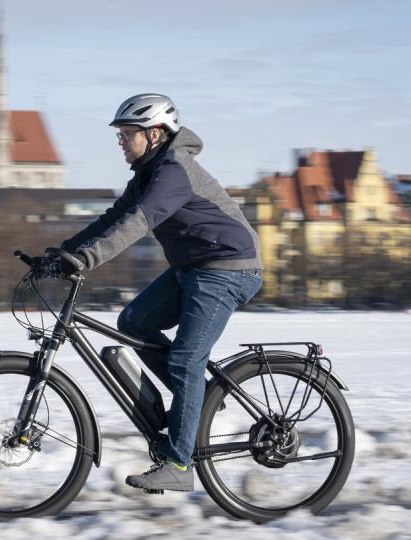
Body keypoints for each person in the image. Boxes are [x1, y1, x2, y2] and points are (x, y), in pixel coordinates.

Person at [53, 94, 263, 492]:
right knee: (134, 322)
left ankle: (180, 466)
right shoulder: (148, 174)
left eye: (127, 134)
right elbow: (113, 217)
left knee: (185, 360)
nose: (120, 141)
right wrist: (62, 252)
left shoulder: (173, 171)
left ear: (154, 134)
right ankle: (194, 404)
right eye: (120, 134)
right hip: (194, 267)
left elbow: (138, 223)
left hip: (229, 267)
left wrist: (87, 260)